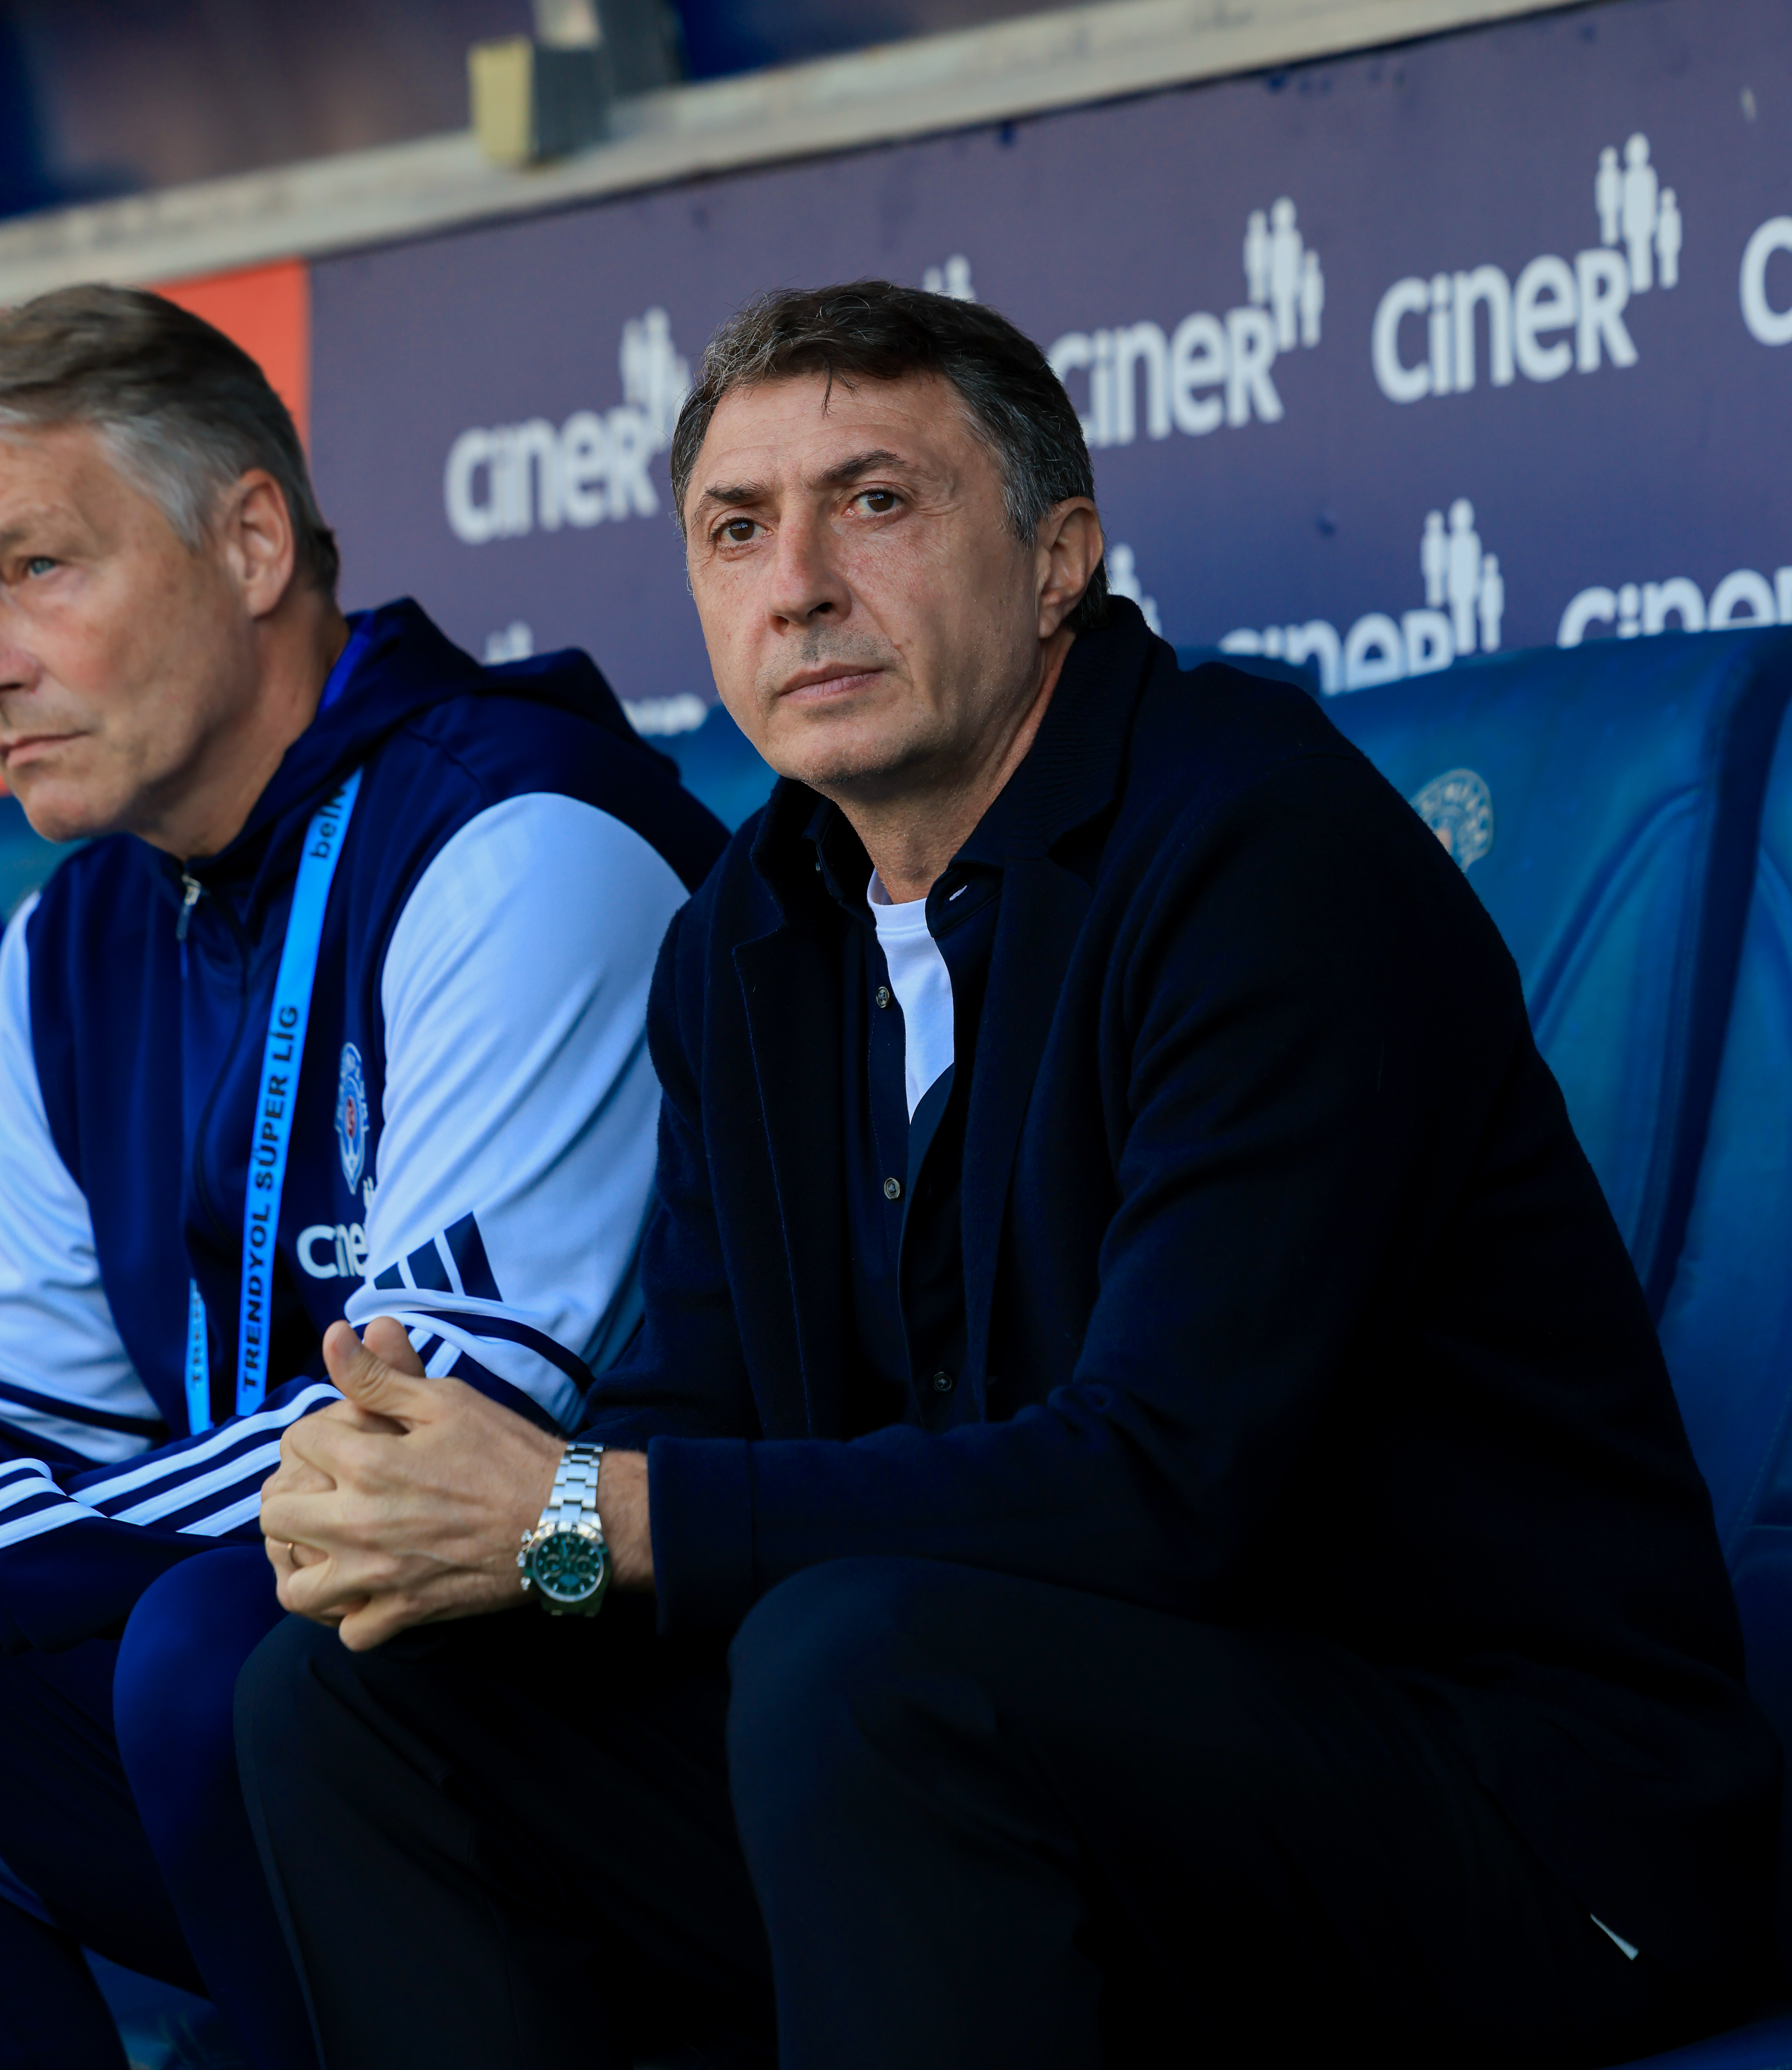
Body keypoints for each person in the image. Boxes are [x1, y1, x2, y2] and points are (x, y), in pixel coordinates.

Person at [246, 282, 1778, 2069]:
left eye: (874, 503)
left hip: (1513, 1818)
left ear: (1059, 563)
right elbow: (703, 1412)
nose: (798, 584)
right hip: (1027, 1774)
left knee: (865, 1665)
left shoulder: (1262, 851)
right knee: (356, 1705)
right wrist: (453, 1512)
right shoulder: (750, 927)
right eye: (737, 529)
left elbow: (1163, 1494)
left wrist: (580, 1516)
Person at [0, 285, 725, 2070]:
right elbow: (32, 1421)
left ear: (253, 542)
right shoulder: (62, 941)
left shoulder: (516, 832)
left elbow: (428, 1451)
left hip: (640, 1672)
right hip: (274, 1671)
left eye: (38, 569)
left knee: (225, 1652)